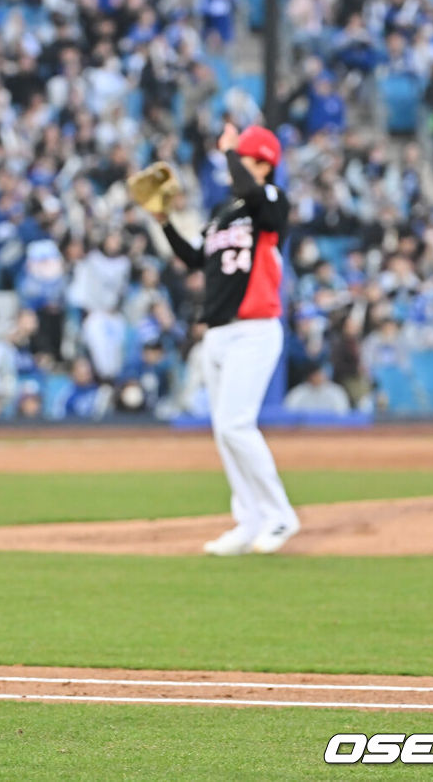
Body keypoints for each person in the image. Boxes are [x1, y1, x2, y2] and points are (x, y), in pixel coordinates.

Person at [150, 123, 300, 555]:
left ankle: (279, 515)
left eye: (244, 159)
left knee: (236, 425)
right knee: (224, 431)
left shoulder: (271, 200)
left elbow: (253, 194)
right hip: (217, 332)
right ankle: (248, 520)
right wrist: (164, 222)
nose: (234, 166)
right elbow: (196, 258)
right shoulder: (223, 211)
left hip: (254, 329)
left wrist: (231, 150)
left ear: (263, 164)